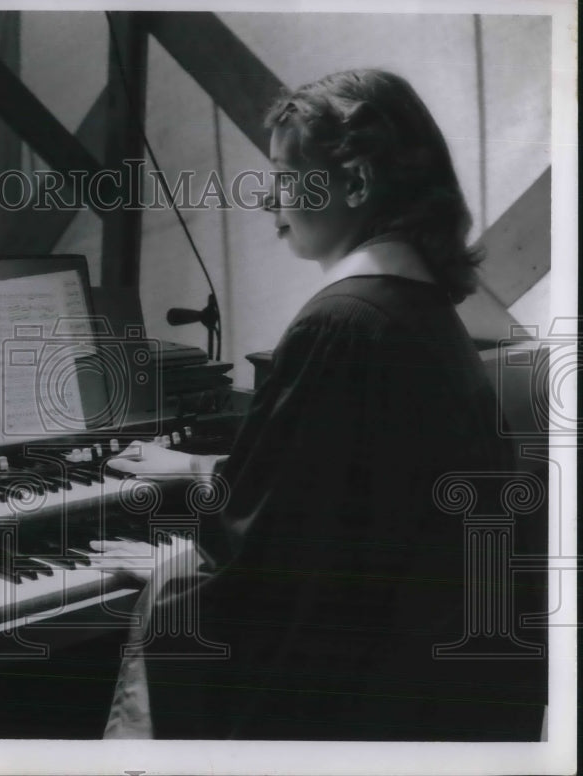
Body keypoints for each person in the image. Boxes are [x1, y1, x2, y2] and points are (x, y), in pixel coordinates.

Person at [97, 69, 545, 740]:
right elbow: (333, 484)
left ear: (358, 184)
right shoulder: (421, 312)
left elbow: (278, 563)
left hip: (361, 704)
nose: (267, 198)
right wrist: (197, 472)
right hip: (436, 691)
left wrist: (172, 577)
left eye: (283, 174)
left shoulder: (339, 323)